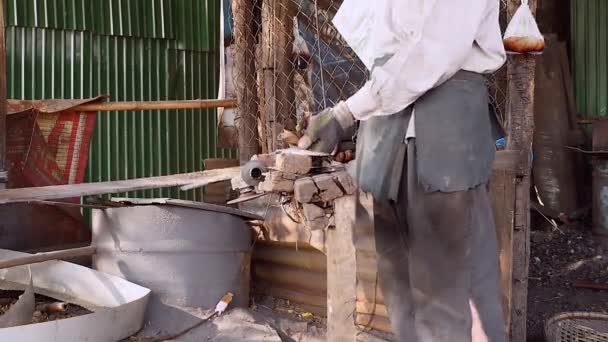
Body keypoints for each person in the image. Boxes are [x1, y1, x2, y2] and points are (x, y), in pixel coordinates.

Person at [297, 0, 507, 341]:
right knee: (400, 289)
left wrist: (345, 113)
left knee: (445, 301)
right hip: (387, 134)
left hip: (443, 139)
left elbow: (426, 58)